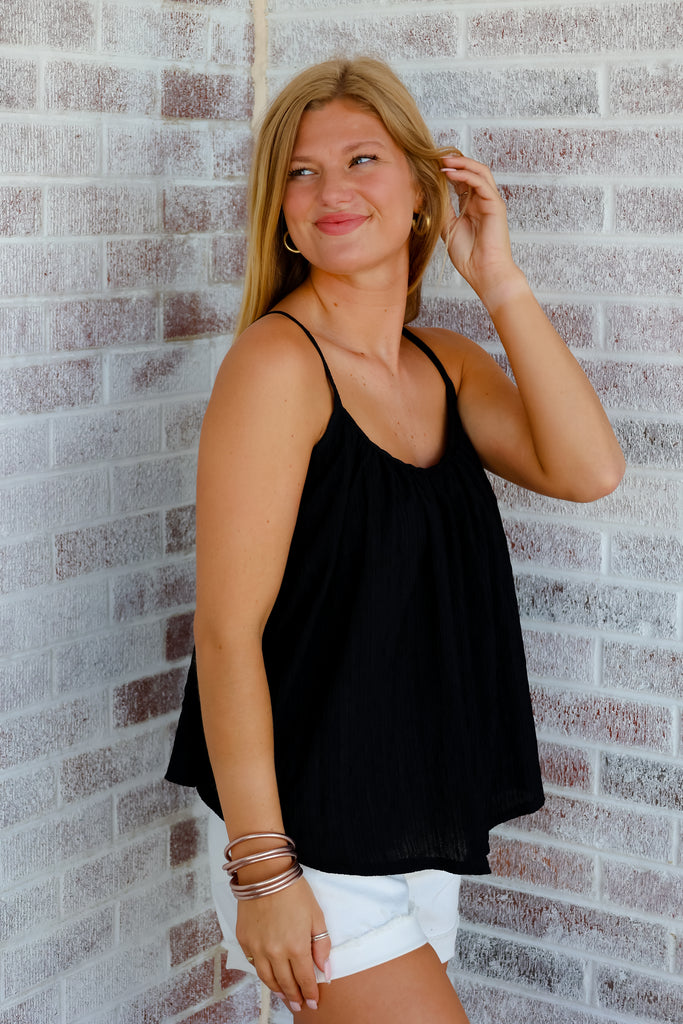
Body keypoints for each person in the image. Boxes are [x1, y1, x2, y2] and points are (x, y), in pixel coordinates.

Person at [165, 57, 625, 1024]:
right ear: (280, 212)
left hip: (410, 808)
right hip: (305, 829)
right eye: (300, 172)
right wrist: (262, 869)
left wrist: (497, 278)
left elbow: (588, 470)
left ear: (421, 191)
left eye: (361, 160)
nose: (329, 190)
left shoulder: (445, 364)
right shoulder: (276, 364)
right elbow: (225, 633)